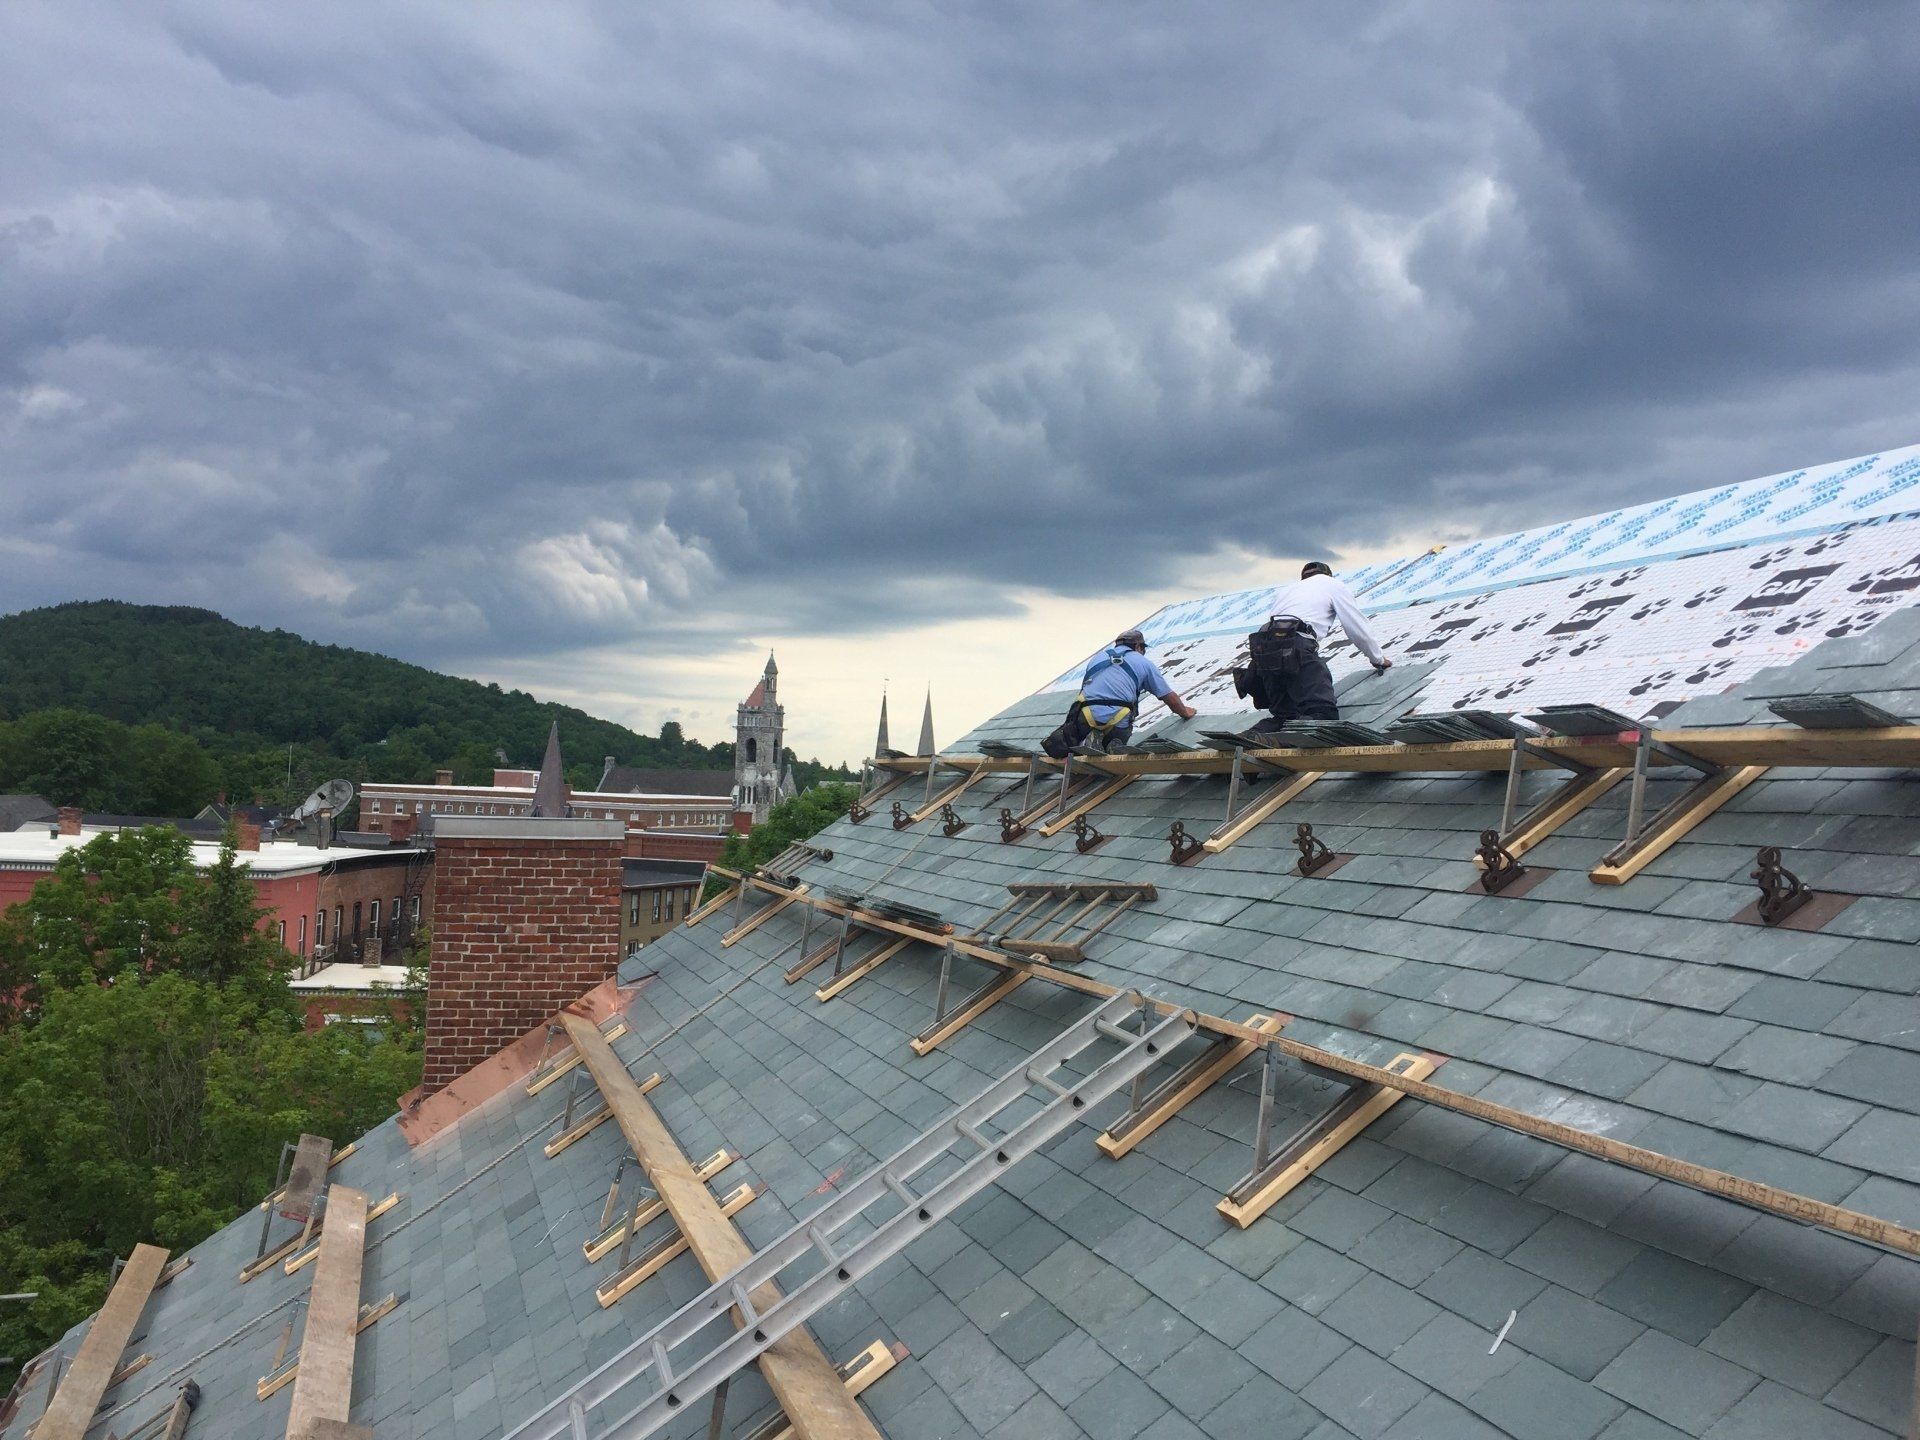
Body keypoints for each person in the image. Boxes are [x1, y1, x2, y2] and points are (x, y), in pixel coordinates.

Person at [1238, 562, 1390, 728]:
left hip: (1264, 650)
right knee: (1322, 714)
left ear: (1304, 577)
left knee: (1284, 715)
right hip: (1294, 644)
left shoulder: (1289, 590)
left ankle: (1254, 738)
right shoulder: (1333, 585)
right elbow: (1357, 627)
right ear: (1328, 575)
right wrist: (1378, 659)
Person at [1042, 629, 1197, 758]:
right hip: (1117, 720)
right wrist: (1186, 713)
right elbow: (1169, 697)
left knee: (1081, 727)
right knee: (1118, 731)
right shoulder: (1143, 663)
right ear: (1137, 646)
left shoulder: (1097, 658)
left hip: (1084, 718)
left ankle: (1088, 741)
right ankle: (1112, 743)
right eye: (1143, 649)